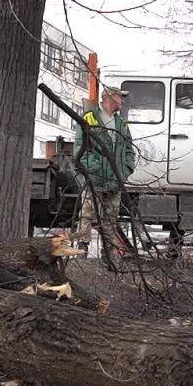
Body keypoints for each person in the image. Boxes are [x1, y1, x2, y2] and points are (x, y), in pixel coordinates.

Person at [75, 86, 136, 259]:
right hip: (94, 179)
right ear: (109, 97)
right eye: (120, 97)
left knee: (110, 218)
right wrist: (95, 169)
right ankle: (82, 251)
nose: (122, 101)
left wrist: (125, 170)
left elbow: (129, 150)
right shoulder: (90, 118)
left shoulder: (122, 125)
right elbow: (80, 149)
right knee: (87, 215)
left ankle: (108, 254)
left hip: (114, 181)